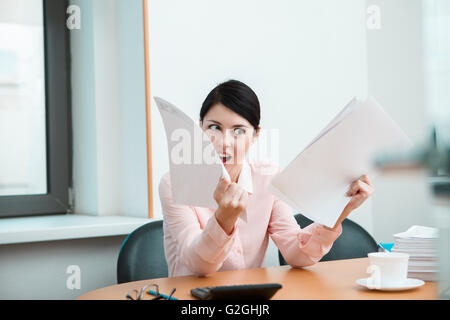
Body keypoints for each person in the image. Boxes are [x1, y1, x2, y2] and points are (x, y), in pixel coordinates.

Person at [159, 79, 375, 277]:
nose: (224, 142)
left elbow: (297, 254)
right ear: (200, 130)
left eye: (238, 130)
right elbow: (198, 266)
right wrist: (223, 220)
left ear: (255, 135)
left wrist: (341, 208)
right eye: (214, 127)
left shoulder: (268, 178)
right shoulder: (173, 184)